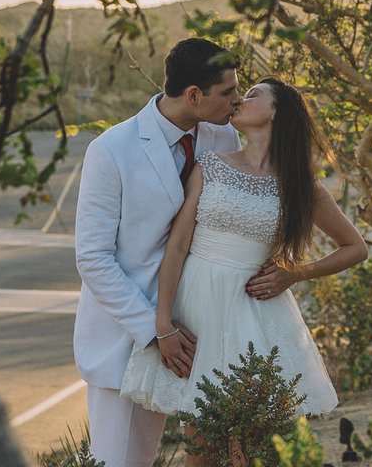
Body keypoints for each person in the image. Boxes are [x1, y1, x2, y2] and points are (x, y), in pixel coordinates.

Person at [118, 77, 368, 465]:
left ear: (276, 112)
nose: (239, 100)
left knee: (246, 453)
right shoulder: (211, 166)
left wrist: (295, 272)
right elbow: (178, 247)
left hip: (254, 317)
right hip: (197, 314)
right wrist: (163, 322)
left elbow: (355, 248)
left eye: (252, 95)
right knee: (200, 450)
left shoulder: (301, 186)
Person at [73, 38, 244, 467]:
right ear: (193, 96)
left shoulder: (225, 138)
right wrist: (155, 329)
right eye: (228, 92)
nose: (237, 101)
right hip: (129, 336)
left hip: (203, 329)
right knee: (120, 462)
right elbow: (92, 257)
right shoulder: (112, 149)